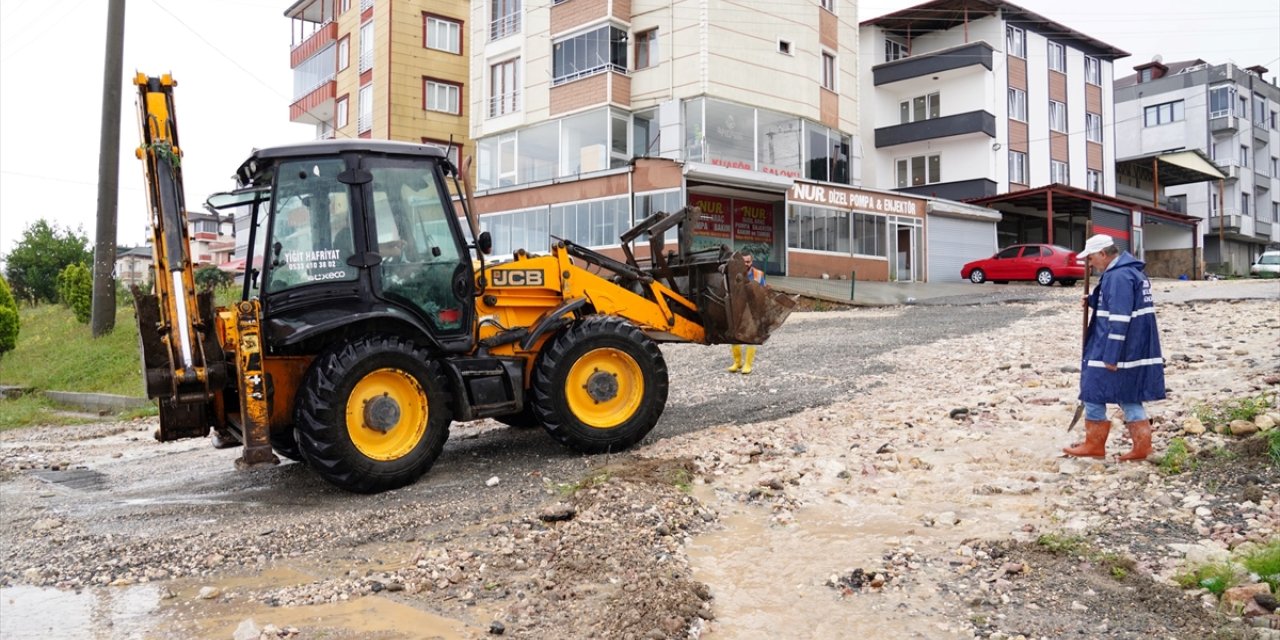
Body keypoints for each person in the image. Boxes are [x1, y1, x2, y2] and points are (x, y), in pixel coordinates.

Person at [1063, 234, 1165, 461]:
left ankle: (1094, 445)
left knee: (1092, 389)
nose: (1090, 264)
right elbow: (1121, 304)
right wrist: (1094, 301)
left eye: (1090, 259)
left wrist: (1111, 355)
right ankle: (1141, 448)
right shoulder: (1130, 272)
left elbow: (1119, 318)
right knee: (1128, 395)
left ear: (1102, 254)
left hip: (1116, 347)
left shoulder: (1118, 277)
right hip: (1132, 346)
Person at [726, 253, 766, 375]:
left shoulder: (758, 275)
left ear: (752, 262)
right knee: (734, 334)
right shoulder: (734, 275)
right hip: (738, 308)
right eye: (744, 262)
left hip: (752, 308)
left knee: (751, 335)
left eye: (748, 262)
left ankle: (748, 364)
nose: (746, 264)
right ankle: (737, 362)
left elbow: (762, 291)